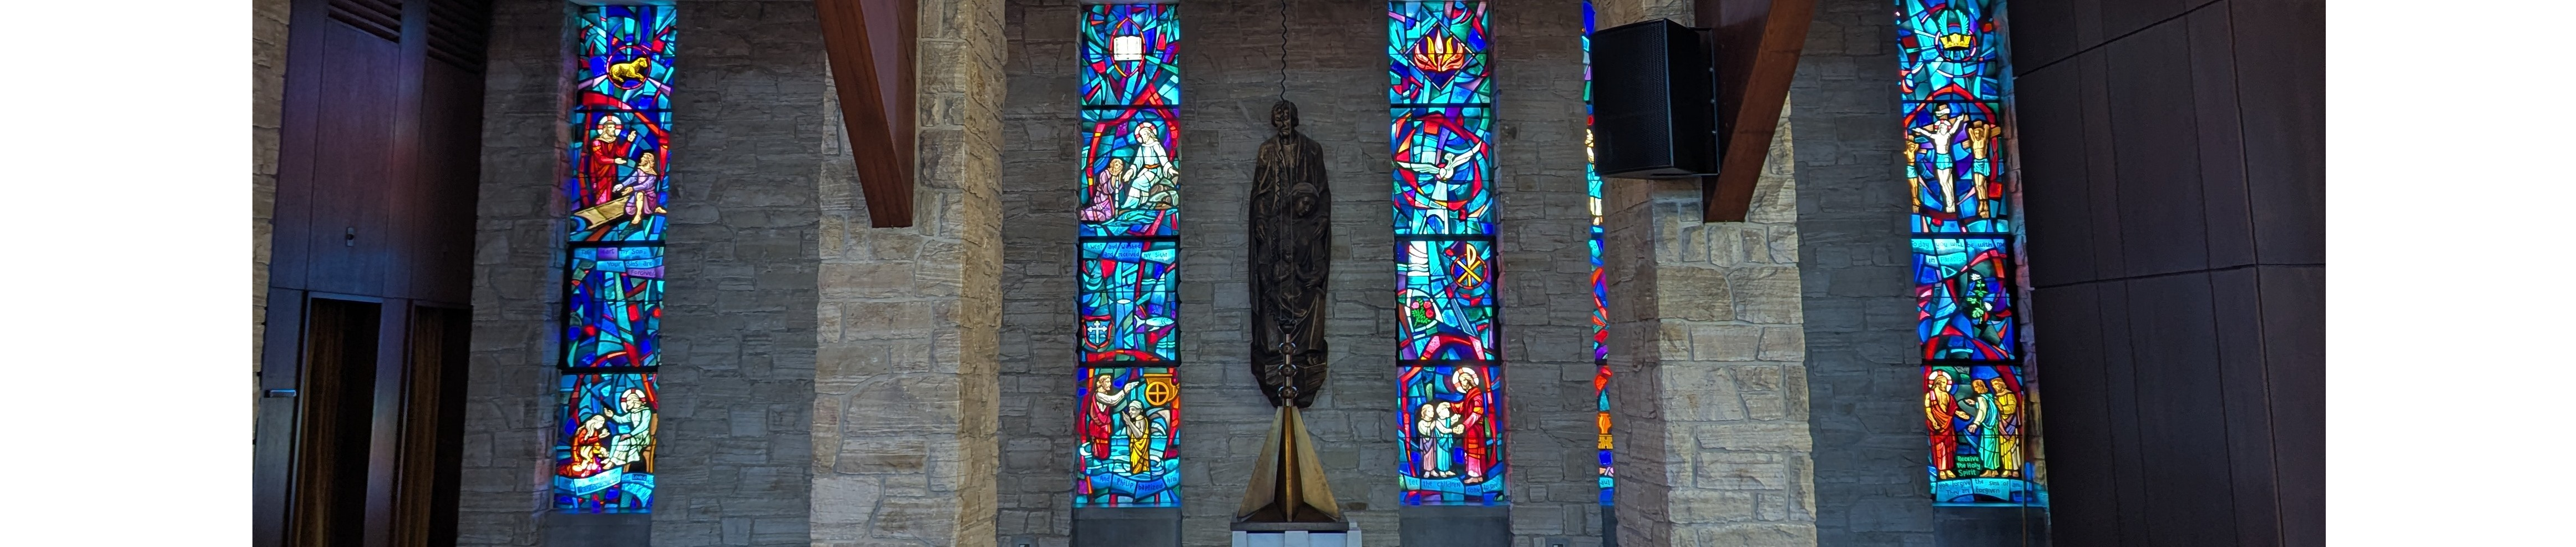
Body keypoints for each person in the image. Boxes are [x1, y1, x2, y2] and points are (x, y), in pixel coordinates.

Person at [1448, 368, 1492, 486]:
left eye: (1463, 382)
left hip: (1475, 429)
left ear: (1468, 381)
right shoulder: (1470, 394)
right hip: (1471, 429)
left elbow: (1477, 412)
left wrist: (1465, 425)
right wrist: (1451, 405)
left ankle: (1475, 476)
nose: (1462, 385)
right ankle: (1477, 477)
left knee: (1474, 452)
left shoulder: (1476, 394)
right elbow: (1464, 407)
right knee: (1471, 452)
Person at [604, 388, 655, 468]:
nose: (627, 403)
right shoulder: (632, 413)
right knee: (616, 438)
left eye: (628, 401)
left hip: (642, 437)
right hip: (635, 437)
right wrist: (612, 416)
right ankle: (611, 458)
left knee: (625, 440)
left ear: (634, 401)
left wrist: (630, 434)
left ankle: (613, 463)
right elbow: (621, 420)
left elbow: (644, 426)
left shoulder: (646, 411)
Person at [1925, 370, 1960, 480]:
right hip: (1937, 426)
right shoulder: (1930, 395)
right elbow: (1928, 410)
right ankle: (1941, 470)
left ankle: (1948, 469)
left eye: (1946, 383)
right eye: (1944, 383)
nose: (1946, 385)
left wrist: (1961, 414)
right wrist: (1934, 421)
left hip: (1948, 424)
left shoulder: (1948, 395)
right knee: (1939, 448)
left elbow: (1954, 409)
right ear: (1938, 383)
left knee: (1949, 447)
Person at [1991, 378, 2023, 478]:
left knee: (2013, 448)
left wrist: (2001, 407)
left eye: (1996, 385)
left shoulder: (2009, 395)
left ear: (2001, 385)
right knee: (2004, 449)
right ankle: (2007, 469)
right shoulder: (1997, 396)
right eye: (1994, 387)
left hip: (2011, 425)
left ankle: (2015, 469)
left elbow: (2012, 408)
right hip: (2001, 425)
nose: (1995, 388)